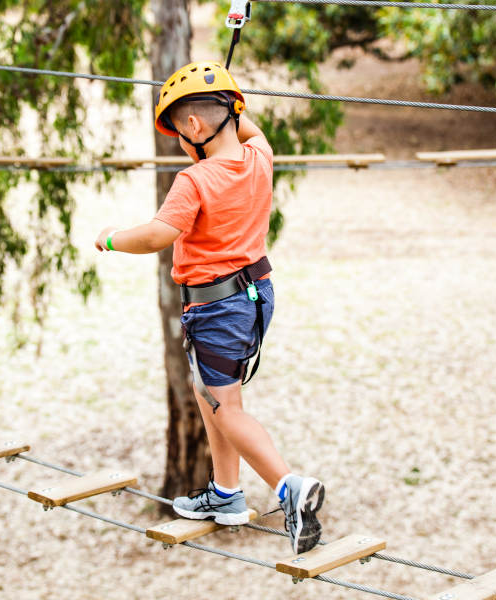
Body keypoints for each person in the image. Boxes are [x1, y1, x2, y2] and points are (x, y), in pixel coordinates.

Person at [94, 61, 325, 554]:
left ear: (195, 128)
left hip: (217, 308)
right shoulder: (259, 155)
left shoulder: (193, 181)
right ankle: (226, 493)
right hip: (255, 295)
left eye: (180, 131)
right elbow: (249, 127)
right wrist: (225, 102)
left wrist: (110, 239)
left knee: (227, 407)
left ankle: (290, 488)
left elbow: (159, 234)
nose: (181, 141)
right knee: (210, 395)